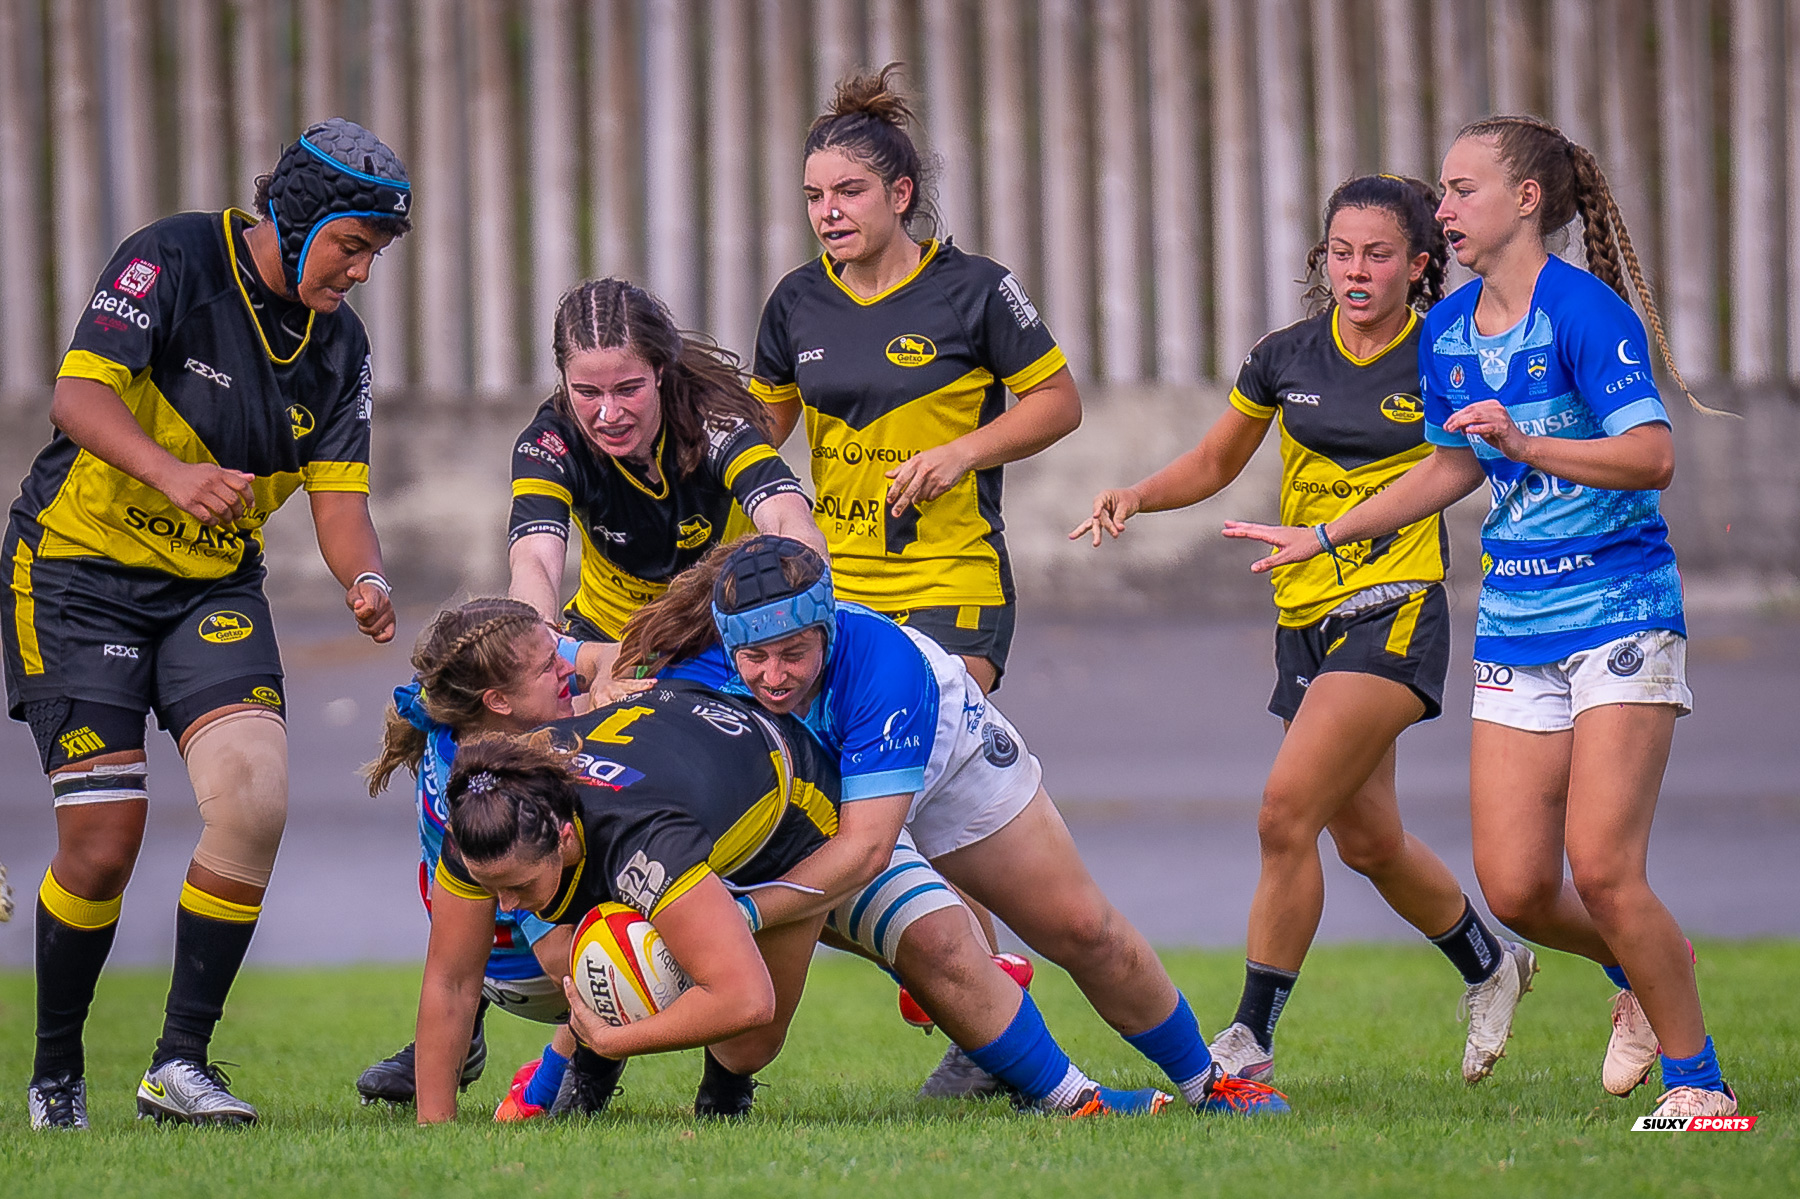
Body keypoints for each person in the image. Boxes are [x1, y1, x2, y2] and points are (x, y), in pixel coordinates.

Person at [1224, 116, 1738, 1121]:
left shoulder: (1585, 314)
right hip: (1517, 617)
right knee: (1516, 889)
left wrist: (1531, 443)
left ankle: (1700, 1084)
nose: (1444, 207)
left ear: (1528, 200)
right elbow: (1454, 465)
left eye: (1461, 190)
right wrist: (1324, 536)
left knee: (1600, 864)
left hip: (1621, 607)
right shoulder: (1453, 331)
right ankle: (1644, 962)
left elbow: (1651, 457)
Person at [1071, 175, 1529, 1086]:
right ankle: (1492, 962)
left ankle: (1248, 1036)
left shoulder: (1445, 351)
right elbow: (1214, 459)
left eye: (1380, 253)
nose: (1357, 271)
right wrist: (1136, 494)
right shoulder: (1285, 356)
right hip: (1303, 613)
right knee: (1367, 841)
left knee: (1284, 811)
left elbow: (1465, 464)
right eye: (1341, 253)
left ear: (1420, 265)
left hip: (1397, 605)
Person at [8, 118, 408, 1130]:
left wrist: (364, 578)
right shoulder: (173, 258)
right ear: (297, 215)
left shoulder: (340, 346)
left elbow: (338, 497)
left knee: (255, 799)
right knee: (103, 840)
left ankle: (177, 1062)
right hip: (75, 574)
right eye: (352, 243)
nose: (361, 271)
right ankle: (56, 1072)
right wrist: (176, 473)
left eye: (375, 253)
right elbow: (77, 399)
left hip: (210, 589)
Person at [621, 535, 1292, 1116]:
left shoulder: (884, 666)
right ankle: (594, 1081)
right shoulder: (698, 666)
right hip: (817, 803)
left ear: (826, 624)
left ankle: (1208, 1083)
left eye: (794, 652)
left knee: (1084, 929)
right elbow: (595, 683)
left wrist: (737, 914)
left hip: (946, 763)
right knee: (924, 949)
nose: (774, 675)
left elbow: (866, 849)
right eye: (756, 657)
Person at [415, 684, 1171, 1122]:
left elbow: (741, 998)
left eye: (518, 886)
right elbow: (450, 980)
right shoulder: (486, 817)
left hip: (806, 827)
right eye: (496, 888)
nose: (505, 903)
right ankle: (579, 1080)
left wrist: (616, 1039)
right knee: (572, 949)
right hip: (700, 796)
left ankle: (1076, 1097)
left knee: (926, 953)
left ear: (565, 836)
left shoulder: (645, 845)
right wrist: (435, 1133)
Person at [750, 66, 1082, 696]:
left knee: (912, 746)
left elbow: (1060, 403)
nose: (829, 213)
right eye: (814, 197)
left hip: (953, 582)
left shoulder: (974, 289)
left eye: (849, 192)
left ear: (900, 194)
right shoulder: (796, 300)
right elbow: (754, 437)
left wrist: (962, 453)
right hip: (835, 587)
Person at [507, 277, 825, 689]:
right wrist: (537, 643)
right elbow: (534, 561)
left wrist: (795, 608)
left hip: (716, 635)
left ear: (658, 371)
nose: (608, 414)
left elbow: (787, 516)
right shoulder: (550, 442)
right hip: (606, 640)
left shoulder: (713, 418)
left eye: (628, 389)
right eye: (586, 392)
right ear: (564, 380)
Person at [355, 599, 582, 1118]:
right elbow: (550, 946)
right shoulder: (511, 785)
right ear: (498, 700)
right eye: (550, 666)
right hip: (549, 973)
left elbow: (450, 977)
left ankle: (459, 1046)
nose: (567, 668)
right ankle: (583, 1063)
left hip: (481, 972)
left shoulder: (448, 725)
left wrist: (436, 1126)